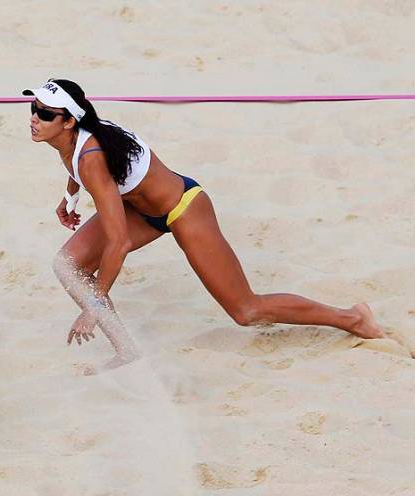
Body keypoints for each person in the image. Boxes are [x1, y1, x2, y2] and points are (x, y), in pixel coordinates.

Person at [21, 78, 384, 365]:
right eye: (34, 107)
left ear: (69, 121)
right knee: (68, 264)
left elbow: (119, 243)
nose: (35, 117)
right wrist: (68, 199)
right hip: (141, 210)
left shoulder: (92, 156)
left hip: (183, 208)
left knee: (246, 311)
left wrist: (94, 304)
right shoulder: (72, 142)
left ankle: (352, 317)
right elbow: (80, 172)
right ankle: (127, 351)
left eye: (46, 113)